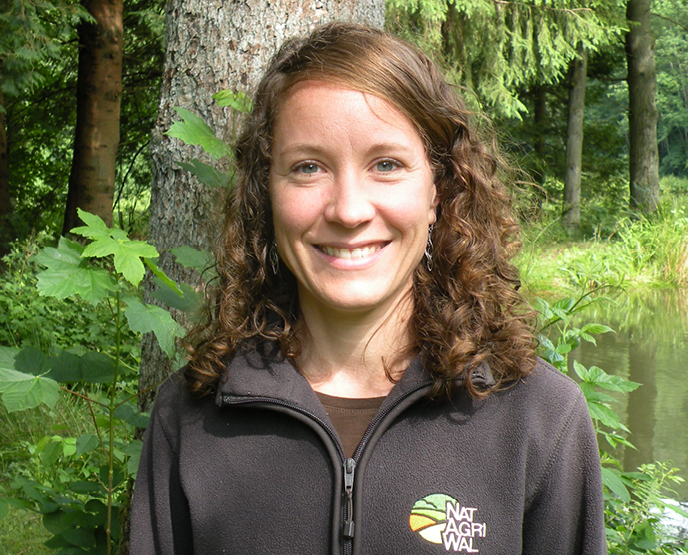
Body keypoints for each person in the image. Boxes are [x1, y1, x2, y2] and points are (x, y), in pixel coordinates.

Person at [130, 22, 606, 555]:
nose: (349, 210)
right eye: (308, 167)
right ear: (266, 194)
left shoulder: (540, 420)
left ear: (438, 190)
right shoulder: (188, 419)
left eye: (386, 164)